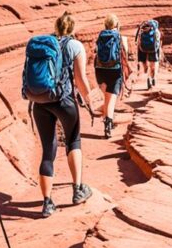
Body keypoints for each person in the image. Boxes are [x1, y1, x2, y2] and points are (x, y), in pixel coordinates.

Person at [30, 13, 94, 218]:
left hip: (40, 103)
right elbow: (80, 79)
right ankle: (77, 190)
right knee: (73, 141)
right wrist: (90, 102)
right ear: (73, 28)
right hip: (64, 102)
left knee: (48, 150)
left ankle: (47, 203)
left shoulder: (44, 44)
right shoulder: (75, 46)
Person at [93, 14, 130, 139]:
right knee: (111, 100)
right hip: (115, 70)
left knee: (107, 99)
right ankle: (108, 126)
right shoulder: (121, 37)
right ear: (117, 24)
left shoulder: (101, 36)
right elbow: (125, 55)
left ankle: (107, 120)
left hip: (100, 70)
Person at [135, 19, 163, 90]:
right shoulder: (156, 32)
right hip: (153, 50)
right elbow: (158, 43)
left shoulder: (142, 32)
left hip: (143, 49)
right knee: (153, 66)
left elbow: (138, 42)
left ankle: (148, 77)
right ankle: (152, 78)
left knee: (146, 66)